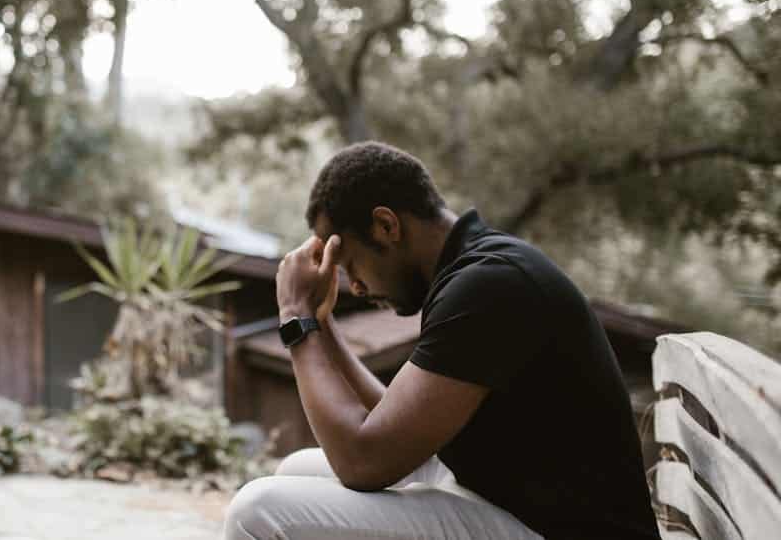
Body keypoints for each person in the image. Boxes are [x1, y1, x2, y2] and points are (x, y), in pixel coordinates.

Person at [224, 141, 660, 540]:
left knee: (258, 511)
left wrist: (295, 317)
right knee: (298, 468)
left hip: (558, 530)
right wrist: (322, 321)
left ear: (386, 226)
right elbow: (390, 424)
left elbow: (363, 462)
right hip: (510, 502)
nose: (354, 286)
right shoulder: (474, 270)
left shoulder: (489, 286)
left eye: (351, 264)